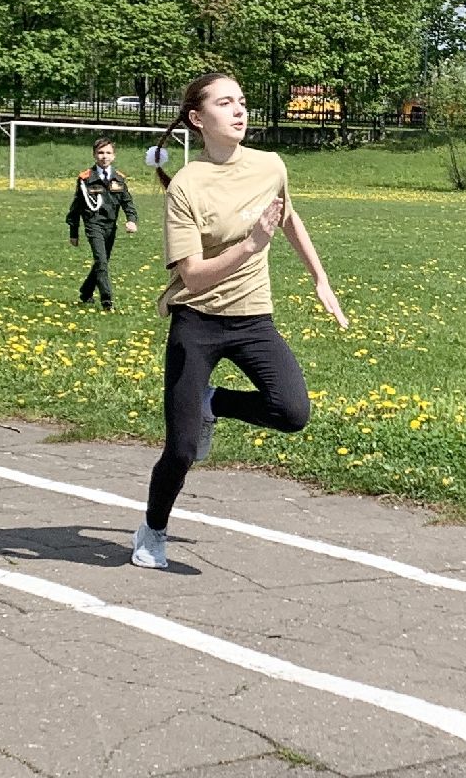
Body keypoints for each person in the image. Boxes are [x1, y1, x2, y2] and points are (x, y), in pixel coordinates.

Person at [131, 73, 348, 570]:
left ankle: (213, 402)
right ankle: (153, 530)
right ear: (197, 119)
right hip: (198, 321)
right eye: (225, 103)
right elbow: (192, 275)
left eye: (242, 102)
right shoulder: (187, 186)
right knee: (181, 448)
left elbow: (287, 217)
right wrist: (250, 245)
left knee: (291, 412)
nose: (239, 111)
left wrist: (320, 278)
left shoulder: (269, 165)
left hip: (253, 319)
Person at [65, 137, 138, 311]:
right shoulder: (85, 178)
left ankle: (86, 292)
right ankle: (107, 301)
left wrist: (131, 220)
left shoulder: (119, 179)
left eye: (108, 153)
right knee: (101, 261)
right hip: (93, 224)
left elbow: (127, 202)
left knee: (101, 262)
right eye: (100, 152)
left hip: (110, 227)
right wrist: (74, 233)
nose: (104, 156)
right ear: (94, 155)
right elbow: (76, 207)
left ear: (114, 156)